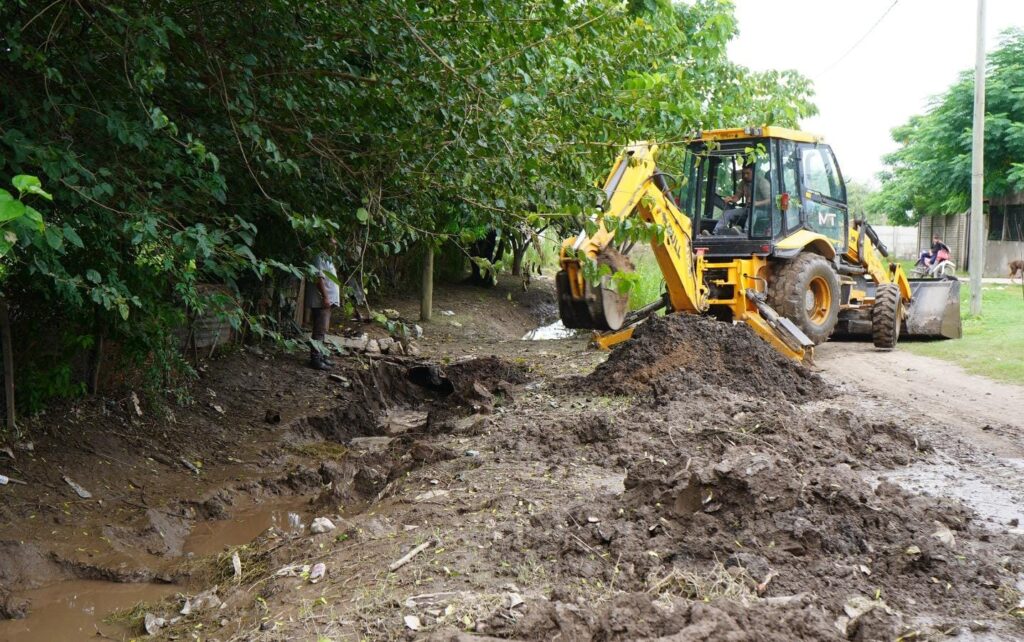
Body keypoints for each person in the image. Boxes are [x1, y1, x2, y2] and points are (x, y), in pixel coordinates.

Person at [305, 239, 340, 370]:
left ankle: (321, 356)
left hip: (327, 301)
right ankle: (315, 359)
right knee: (319, 330)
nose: (335, 245)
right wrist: (325, 296)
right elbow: (318, 278)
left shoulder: (327, 258)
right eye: (333, 243)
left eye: (335, 243)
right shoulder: (318, 256)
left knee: (323, 330)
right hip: (321, 301)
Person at [714, 164, 770, 234]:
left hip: (763, 211)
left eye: (748, 173)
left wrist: (755, 203)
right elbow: (737, 197)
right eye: (743, 173)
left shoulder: (762, 182)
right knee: (727, 213)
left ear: (754, 173)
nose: (745, 176)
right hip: (748, 209)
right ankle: (716, 232)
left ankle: (746, 233)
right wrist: (731, 198)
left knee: (752, 211)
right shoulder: (743, 183)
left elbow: (770, 200)